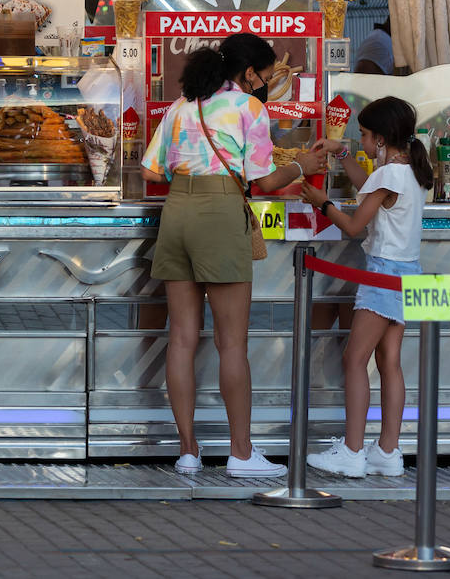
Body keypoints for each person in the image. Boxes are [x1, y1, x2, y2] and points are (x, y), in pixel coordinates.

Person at [140, 33, 327, 479]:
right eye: (264, 75)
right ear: (248, 73)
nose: (265, 82)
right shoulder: (249, 108)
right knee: (231, 342)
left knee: (182, 339)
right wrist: (303, 165)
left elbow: (151, 168)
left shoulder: (182, 105)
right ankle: (241, 454)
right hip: (221, 214)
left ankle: (188, 451)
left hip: (177, 213)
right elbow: (263, 182)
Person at [301, 96, 431, 479]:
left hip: (382, 275)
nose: (361, 141)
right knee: (389, 363)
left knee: (354, 361)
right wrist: (342, 153)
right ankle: (387, 451)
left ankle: (353, 452)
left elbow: (355, 225)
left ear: (380, 137)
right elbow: (370, 188)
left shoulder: (390, 175)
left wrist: (323, 203)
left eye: (363, 136)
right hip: (408, 273)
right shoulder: (409, 170)